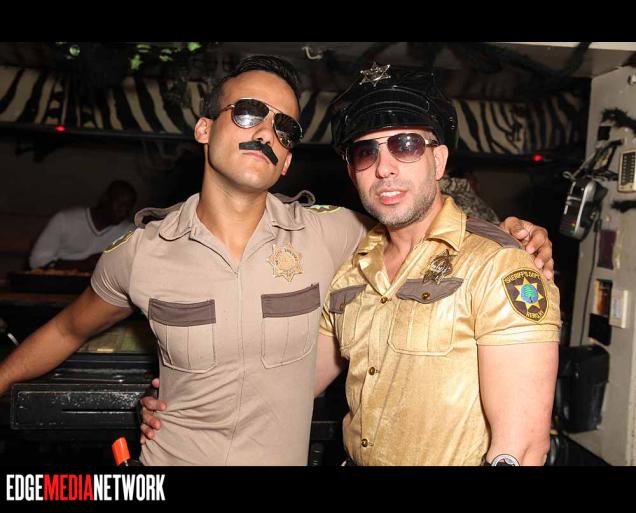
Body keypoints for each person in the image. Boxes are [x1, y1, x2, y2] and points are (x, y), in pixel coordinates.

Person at [0, 56, 553, 466]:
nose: (266, 132)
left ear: (287, 160)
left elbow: (421, 218)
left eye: (284, 128)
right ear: (204, 128)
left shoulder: (336, 234)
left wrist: (508, 235)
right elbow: (68, 329)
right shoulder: (140, 252)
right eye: (247, 113)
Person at [314, 64, 560, 465]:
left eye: (406, 145)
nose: (384, 167)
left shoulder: (497, 264)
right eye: (365, 152)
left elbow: (523, 447)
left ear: (439, 160)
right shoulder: (351, 269)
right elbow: (297, 381)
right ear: (352, 172)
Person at [29, 180, 137, 272]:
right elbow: (37, 262)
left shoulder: (129, 231)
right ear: (105, 199)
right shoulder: (64, 220)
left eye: (128, 207)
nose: (124, 212)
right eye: (120, 205)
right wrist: (84, 264)